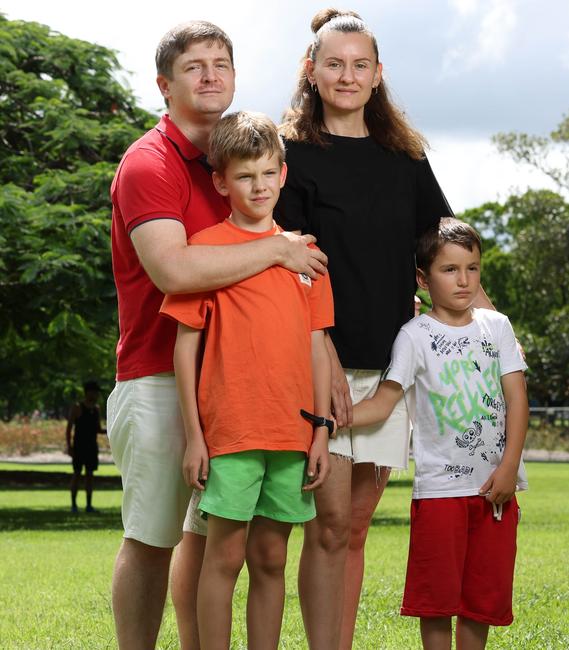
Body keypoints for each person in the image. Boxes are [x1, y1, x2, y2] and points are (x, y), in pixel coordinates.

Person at [107, 21, 327, 650]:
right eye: (194, 66)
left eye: (221, 64)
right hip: (157, 375)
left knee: (206, 540)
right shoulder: (150, 163)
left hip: (234, 387)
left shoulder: (234, 162)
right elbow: (174, 268)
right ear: (164, 84)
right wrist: (277, 252)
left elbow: (295, 294)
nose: (210, 76)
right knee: (153, 539)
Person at [274, 9, 460, 649]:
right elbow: (292, 271)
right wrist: (319, 356)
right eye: (334, 63)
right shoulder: (291, 156)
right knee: (326, 524)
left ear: (378, 75)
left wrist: (491, 335)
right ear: (312, 70)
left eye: (360, 65)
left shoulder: (405, 160)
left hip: (388, 370)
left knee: (353, 527)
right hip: (317, 361)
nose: (347, 75)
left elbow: (443, 251)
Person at [160, 111, 334, 650]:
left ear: (283, 174)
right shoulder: (205, 249)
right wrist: (194, 436)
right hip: (230, 430)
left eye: (267, 173)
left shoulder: (305, 255)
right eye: (243, 176)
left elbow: (316, 345)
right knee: (225, 556)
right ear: (220, 182)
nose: (257, 186)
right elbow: (185, 346)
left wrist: (323, 429)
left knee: (271, 558)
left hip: (292, 431)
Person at [353, 218, 529, 650]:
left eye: (472, 267)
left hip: (495, 490)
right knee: (436, 602)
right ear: (423, 278)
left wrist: (509, 469)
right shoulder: (414, 337)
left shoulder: (498, 327)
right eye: (450, 269)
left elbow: (517, 402)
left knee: (480, 600)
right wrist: (331, 416)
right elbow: (383, 403)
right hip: (438, 494)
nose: (463, 279)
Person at [65, 380, 105, 513]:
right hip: (79, 447)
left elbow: (98, 429)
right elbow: (69, 428)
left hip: (91, 447)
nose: (96, 395)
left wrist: (112, 430)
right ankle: (73, 505)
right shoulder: (77, 407)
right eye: (94, 392)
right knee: (76, 474)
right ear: (88, 392)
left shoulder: (96, 409)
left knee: (89, 476)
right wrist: (69, 446)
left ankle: (89, 505)